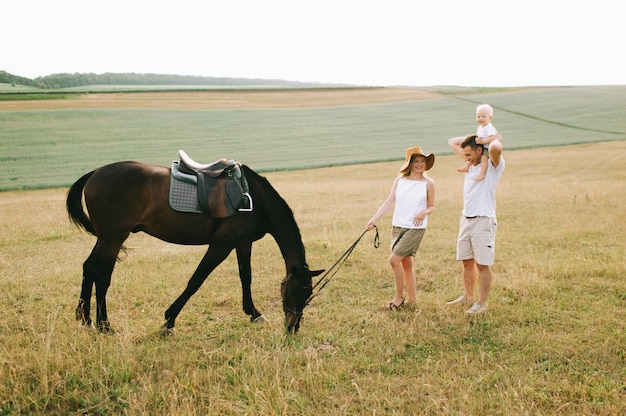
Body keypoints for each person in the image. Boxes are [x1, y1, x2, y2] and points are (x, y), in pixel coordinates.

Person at [366, 146, 435, 310]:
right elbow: (389, 202)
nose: (419, 164)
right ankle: (413, 298)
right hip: (398, 225)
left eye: (422, 161)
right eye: (416, 161)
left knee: (394, 260)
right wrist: (373, 220)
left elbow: (432, 206)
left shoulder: (428, 183)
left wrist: (424, 212)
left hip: (415, 227)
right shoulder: (399, 181)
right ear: (410, 163)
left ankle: (399, 296)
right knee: (406, 263)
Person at [447, 133, 504, 314]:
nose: (466, 159)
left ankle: (482, 303)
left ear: (480, 150)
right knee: (466, 262)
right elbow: (452, 141)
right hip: (466, 219)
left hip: (483, 219)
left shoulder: (493, 167)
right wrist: (475, 135)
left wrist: (487, 138)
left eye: (469, 155)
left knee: (482, 264)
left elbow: (496, 148)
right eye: (465, 156)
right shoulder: (470, 164)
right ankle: (468, 297)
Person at [457, 104, 501, 182]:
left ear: (490, 118)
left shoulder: (489, 128)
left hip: (487, 148)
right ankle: (467, 167)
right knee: (472, 156)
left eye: (484, 116)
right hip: (481, 147)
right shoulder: (480, 127)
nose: (480, 118)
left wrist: (483, 141)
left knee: (484, 158)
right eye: (478, 116)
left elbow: (492, 138)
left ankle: (482, 173)